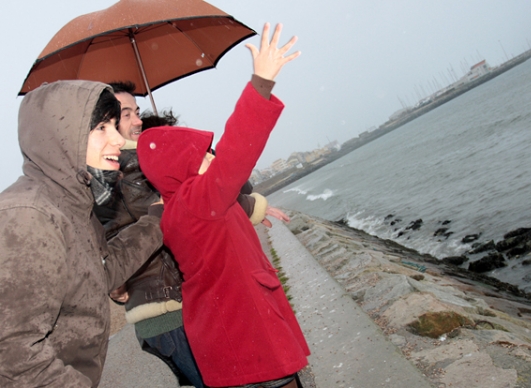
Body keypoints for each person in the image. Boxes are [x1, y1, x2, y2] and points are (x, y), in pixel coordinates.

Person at [137, 23, 308, 388]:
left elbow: (234, 192)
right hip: (247, 334)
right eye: (203, 155)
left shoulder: (182, 206)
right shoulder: (196, 200)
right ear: (181, 168)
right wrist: (261, 83)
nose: (213, 157)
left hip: (228, 336)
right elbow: (237, 152)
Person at [97, 83, 285, 387]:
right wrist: (253, 206)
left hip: (158, 313)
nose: (138, 120)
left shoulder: (110, 174)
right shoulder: (132, 170)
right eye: (126, 114)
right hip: (173, 310)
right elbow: (192, 206)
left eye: (137, 111)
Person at [0, 80, 164, 387]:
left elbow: (102, 273)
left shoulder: (75, 207)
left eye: (116, 126)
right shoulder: (28, 216)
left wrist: (156, 220)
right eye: (102, 127)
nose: (118, 139)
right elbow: (14, 357)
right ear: (61, 137)